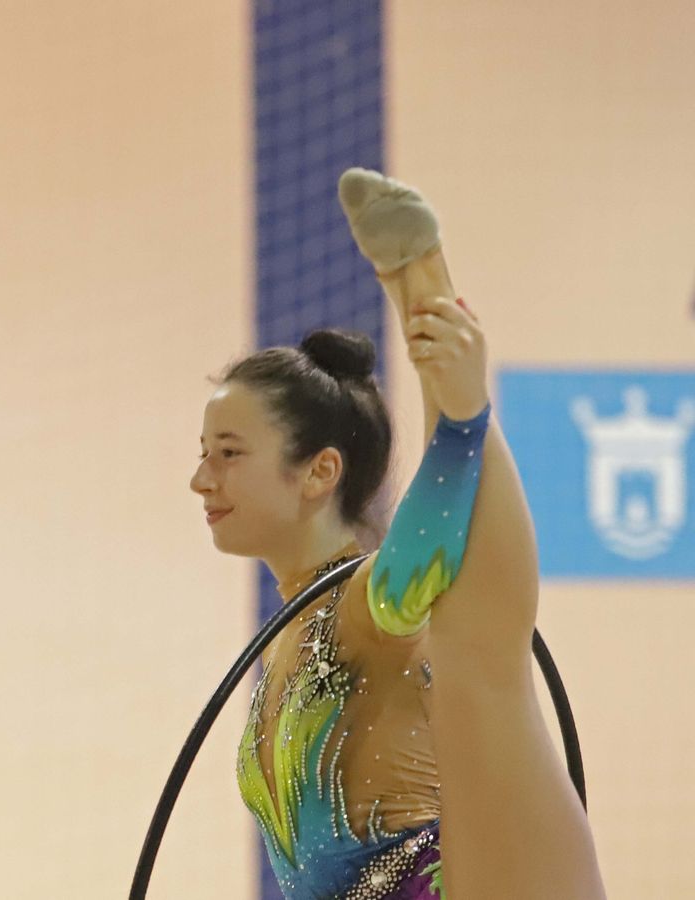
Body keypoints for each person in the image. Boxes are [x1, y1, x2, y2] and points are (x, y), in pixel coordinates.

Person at [190, 169, 606, 899]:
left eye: (229, 453)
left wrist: (459, 415)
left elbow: (426, 551)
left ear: (320, 471)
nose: (202, 480)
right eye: (203, 455)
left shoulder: (363, 605)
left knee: (485, 660)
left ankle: (426, 298)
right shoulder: (291, 629)